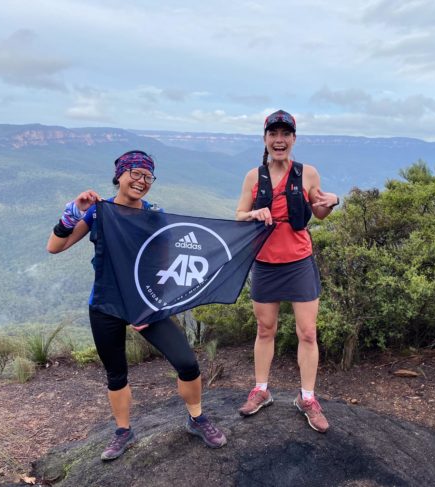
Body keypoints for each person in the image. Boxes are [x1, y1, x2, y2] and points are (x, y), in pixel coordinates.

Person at [46, 150, 227, 461]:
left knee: (187, 363)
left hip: (145, 303)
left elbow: (163, 266)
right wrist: (72, 212)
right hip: (105, 304)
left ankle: (197, 419)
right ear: (119, 175)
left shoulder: (154, 214)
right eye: (136, 173)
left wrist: (147, 308)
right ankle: (123, 432)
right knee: (116, 374)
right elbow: (55, 246)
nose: (142, 181)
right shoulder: (98, 211)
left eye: (148, 176)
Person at [234, 110, 339, 433]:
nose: (279, 140)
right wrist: (253, 213)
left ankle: (307, 397)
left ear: (293, 139)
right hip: (265, 262)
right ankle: (261, 390)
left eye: (285, 134)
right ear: (265, 139)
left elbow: (318, 212)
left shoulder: (307, 173)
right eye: (273, 134)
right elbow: (239, 214)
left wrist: (333, 201)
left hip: (298, 261)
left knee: (307, 332)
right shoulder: (254, 176)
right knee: (265, 329)